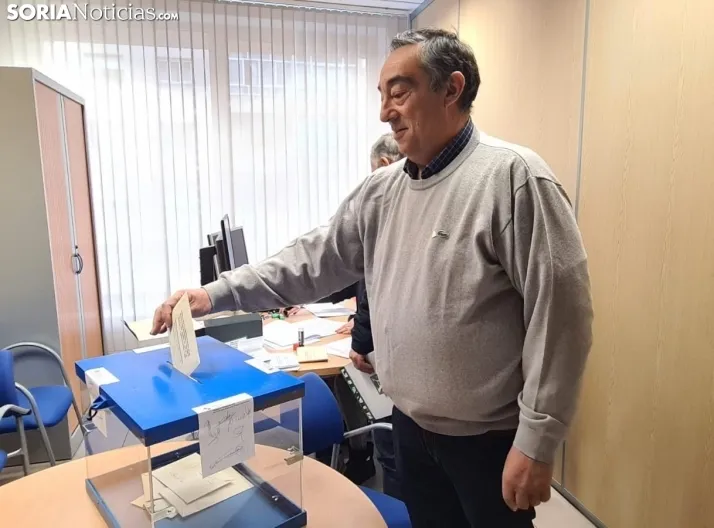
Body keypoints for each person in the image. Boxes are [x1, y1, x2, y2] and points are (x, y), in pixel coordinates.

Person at [152, 28, 593, 528]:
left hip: (486, 441)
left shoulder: (513, 178)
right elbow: (309, 260)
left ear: (451, 89)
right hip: (410, 428)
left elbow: (562, 320)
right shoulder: (381, 192)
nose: (385, 112)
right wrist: (214, 293)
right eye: (382, 96)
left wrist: (537, 441)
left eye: (399, 93)